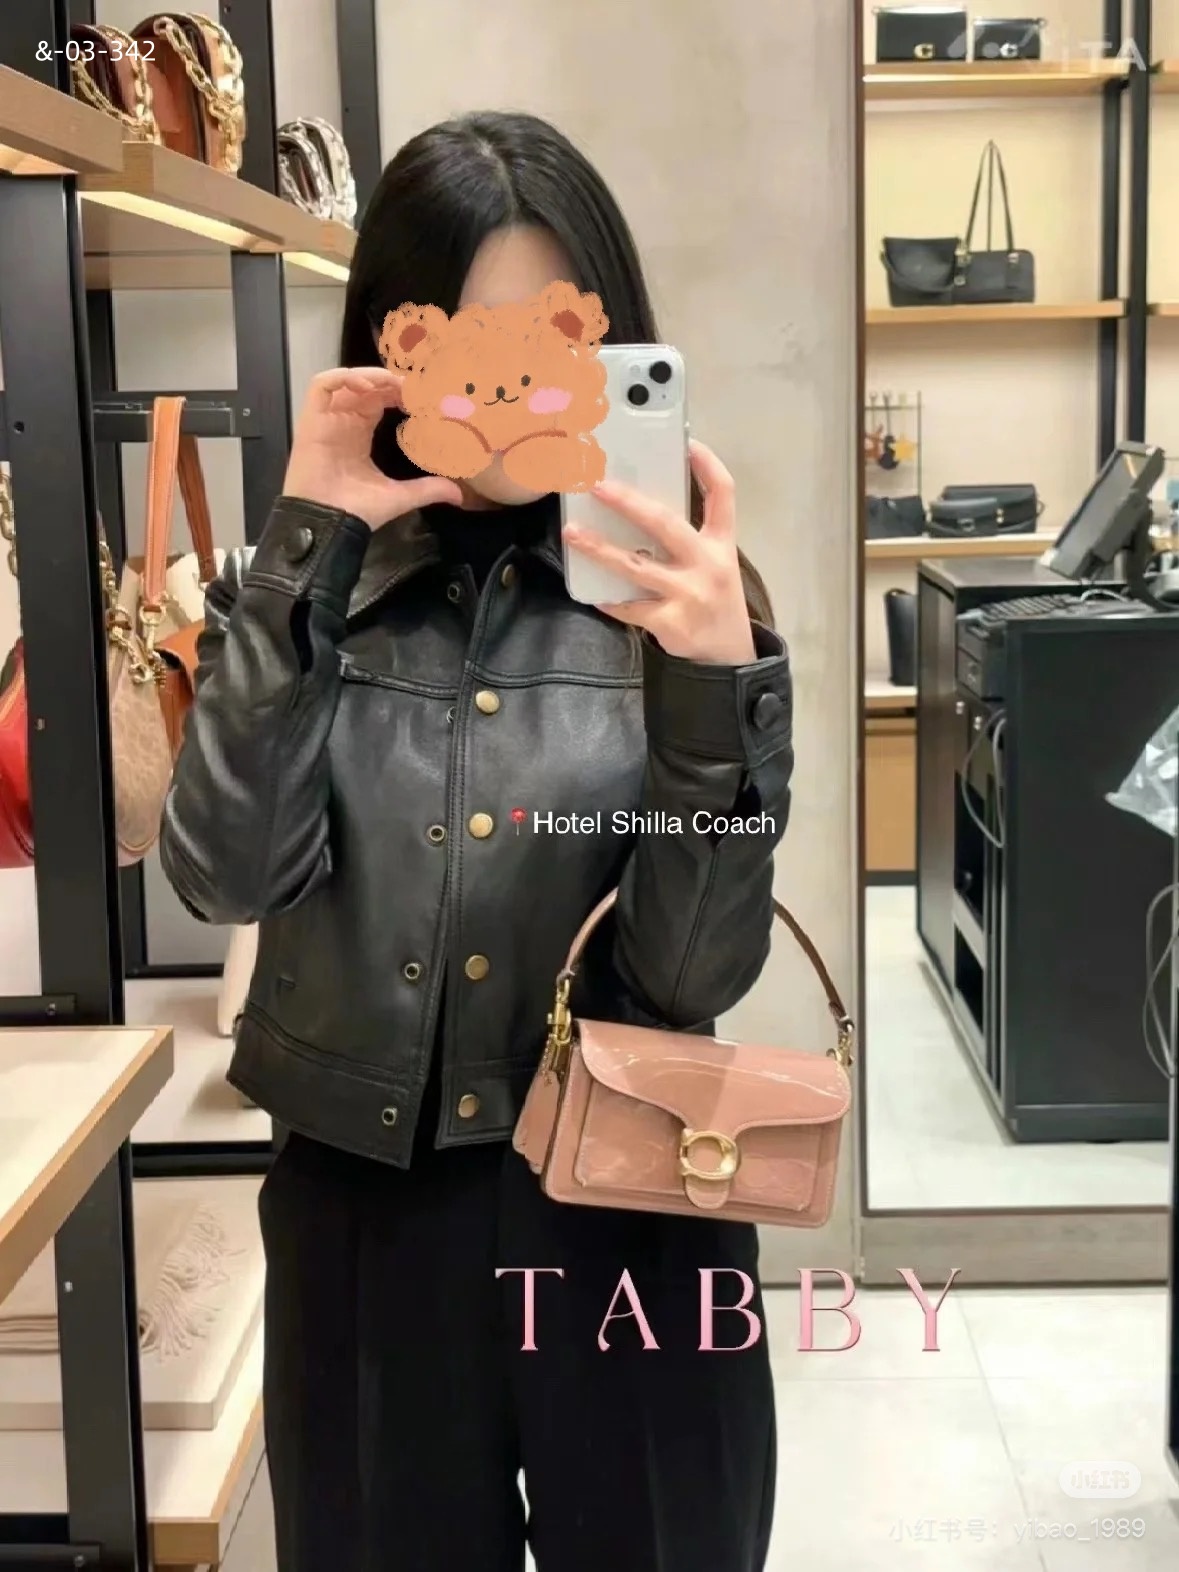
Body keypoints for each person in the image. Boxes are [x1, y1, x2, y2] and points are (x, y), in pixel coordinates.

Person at [160, 109, 794, 1572]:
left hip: (634, 1210)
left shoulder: (685, 599)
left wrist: (714, 687)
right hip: (367, 1219)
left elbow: (692, 972)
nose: (510, 396)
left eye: (552, 342)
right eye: (463, 343)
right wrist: (303, 553)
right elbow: (227, 874)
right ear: (398, 346)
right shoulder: (311, 588)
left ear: (608, 346)